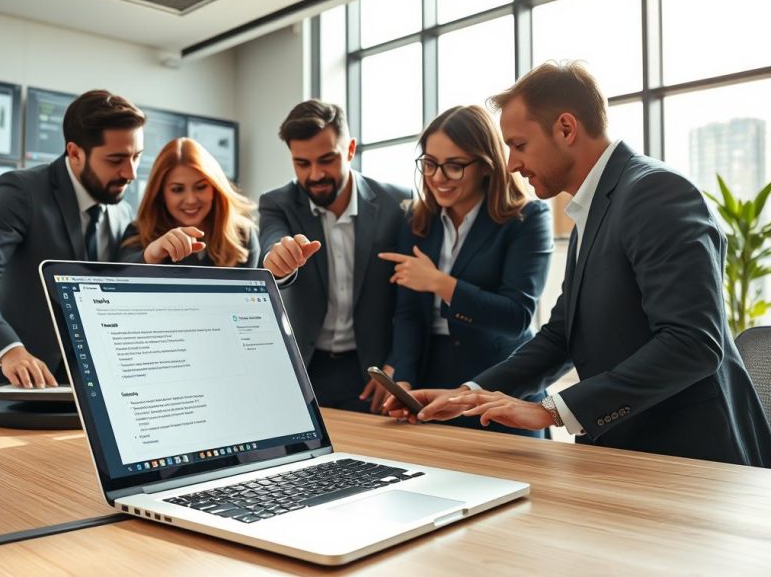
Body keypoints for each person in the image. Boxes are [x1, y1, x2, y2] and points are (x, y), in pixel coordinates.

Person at [386, 61, 771, 467]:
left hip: (692, 459)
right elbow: (561, 337)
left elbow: (692, 343)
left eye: (518, 145)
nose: (512, 163)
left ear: (566, 129)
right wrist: (466, 393)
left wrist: (553, 410)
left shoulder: (656, 193)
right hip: (628, 453)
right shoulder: (595, 205)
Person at [0, 90, 145, 388]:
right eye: (116, 159)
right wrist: (10, 351)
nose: (130, 173)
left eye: (137, 157)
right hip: (14, 383)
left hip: (91, 387)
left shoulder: (123, 211)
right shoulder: (22, 191)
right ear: (75, 152)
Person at [377, 105, 552, 435]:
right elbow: (409, 314)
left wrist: (440, 283)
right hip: (430, 380)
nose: (438, 178)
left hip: (499, 387)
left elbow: (517, 316)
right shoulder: (417, 221)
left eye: (454, 167)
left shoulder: (527, 218)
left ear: (486, 165)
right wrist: (402, 375)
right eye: (429, 164)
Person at [260, 99, 408, 412]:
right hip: (302, 369)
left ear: (350, 149)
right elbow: (272, 246)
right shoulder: (277, 203)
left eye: (327, 159)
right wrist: (279, 261)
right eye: (302, 163)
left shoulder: (398, 202)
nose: (315, 174)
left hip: (372, 371)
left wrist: (397, 365)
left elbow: (411, 298)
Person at [119, 137, 259, 267]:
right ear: (160, 194)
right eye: (177, 189)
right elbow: (119, 280)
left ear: (215, 188)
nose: (191, 200)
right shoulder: (138, 232)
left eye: (201, 187)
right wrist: (151, 255)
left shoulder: (242, 234)